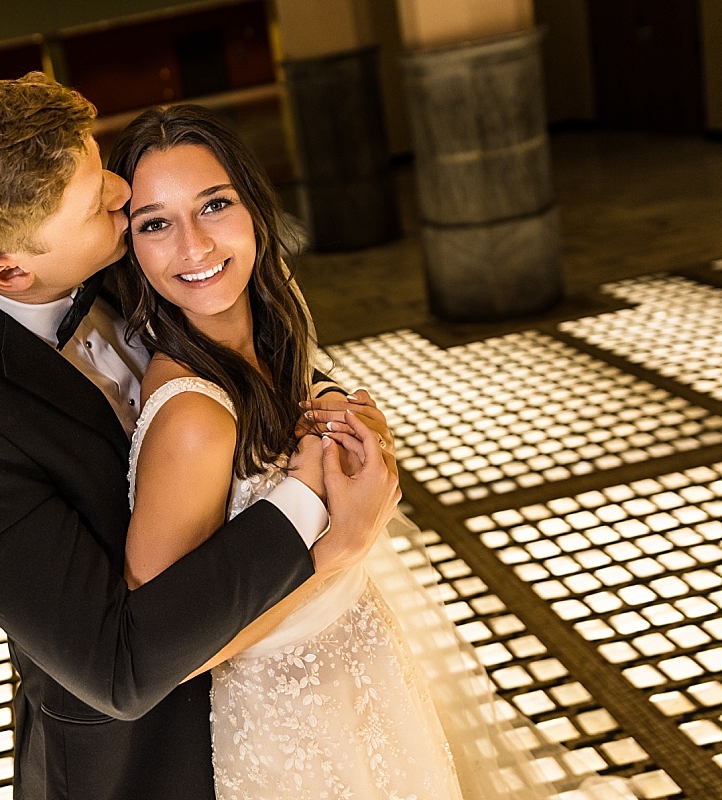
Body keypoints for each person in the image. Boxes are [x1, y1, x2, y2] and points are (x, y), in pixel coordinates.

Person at [0, 73, 401, 800]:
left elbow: (227, 330)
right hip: (144, 761)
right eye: (100, 204)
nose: (124, 195)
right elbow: (116, 667)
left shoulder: (110, 249)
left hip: (291, 698)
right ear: (8, 271)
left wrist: (322, 400)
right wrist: (322, 523)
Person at [109, 104, 638, 800]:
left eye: (214, 204)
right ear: (132, 248)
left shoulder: (270, 338)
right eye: (155, 223)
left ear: (255, 207)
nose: (195, 245)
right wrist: (342, 546)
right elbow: (167, 656)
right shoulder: (193, 421)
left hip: (366, 669)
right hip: (291, 728)